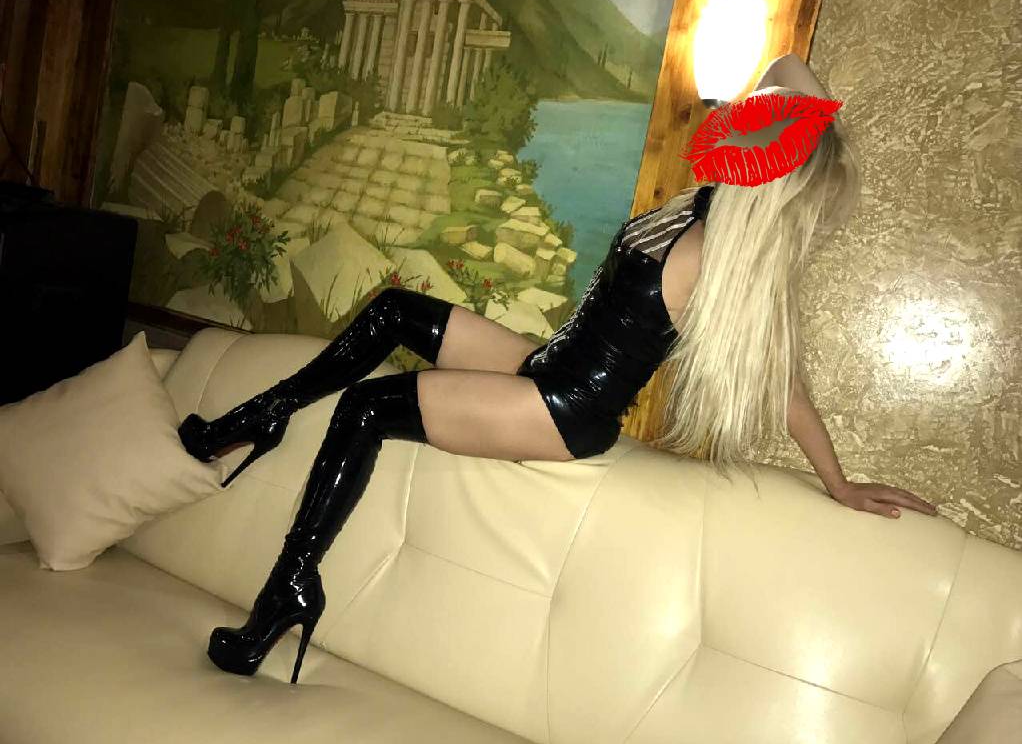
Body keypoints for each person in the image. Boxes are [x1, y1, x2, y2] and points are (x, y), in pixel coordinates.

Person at [178, 52, 938, 685]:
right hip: (546, 365)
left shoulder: (722, 263)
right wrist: (796, 125)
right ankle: (256, 419)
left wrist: (838, 481)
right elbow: (788, 66)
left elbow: (786, 391)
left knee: (368, 408)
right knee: (392, 312)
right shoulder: (704, 204)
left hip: (566, 407)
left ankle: (286, 592)